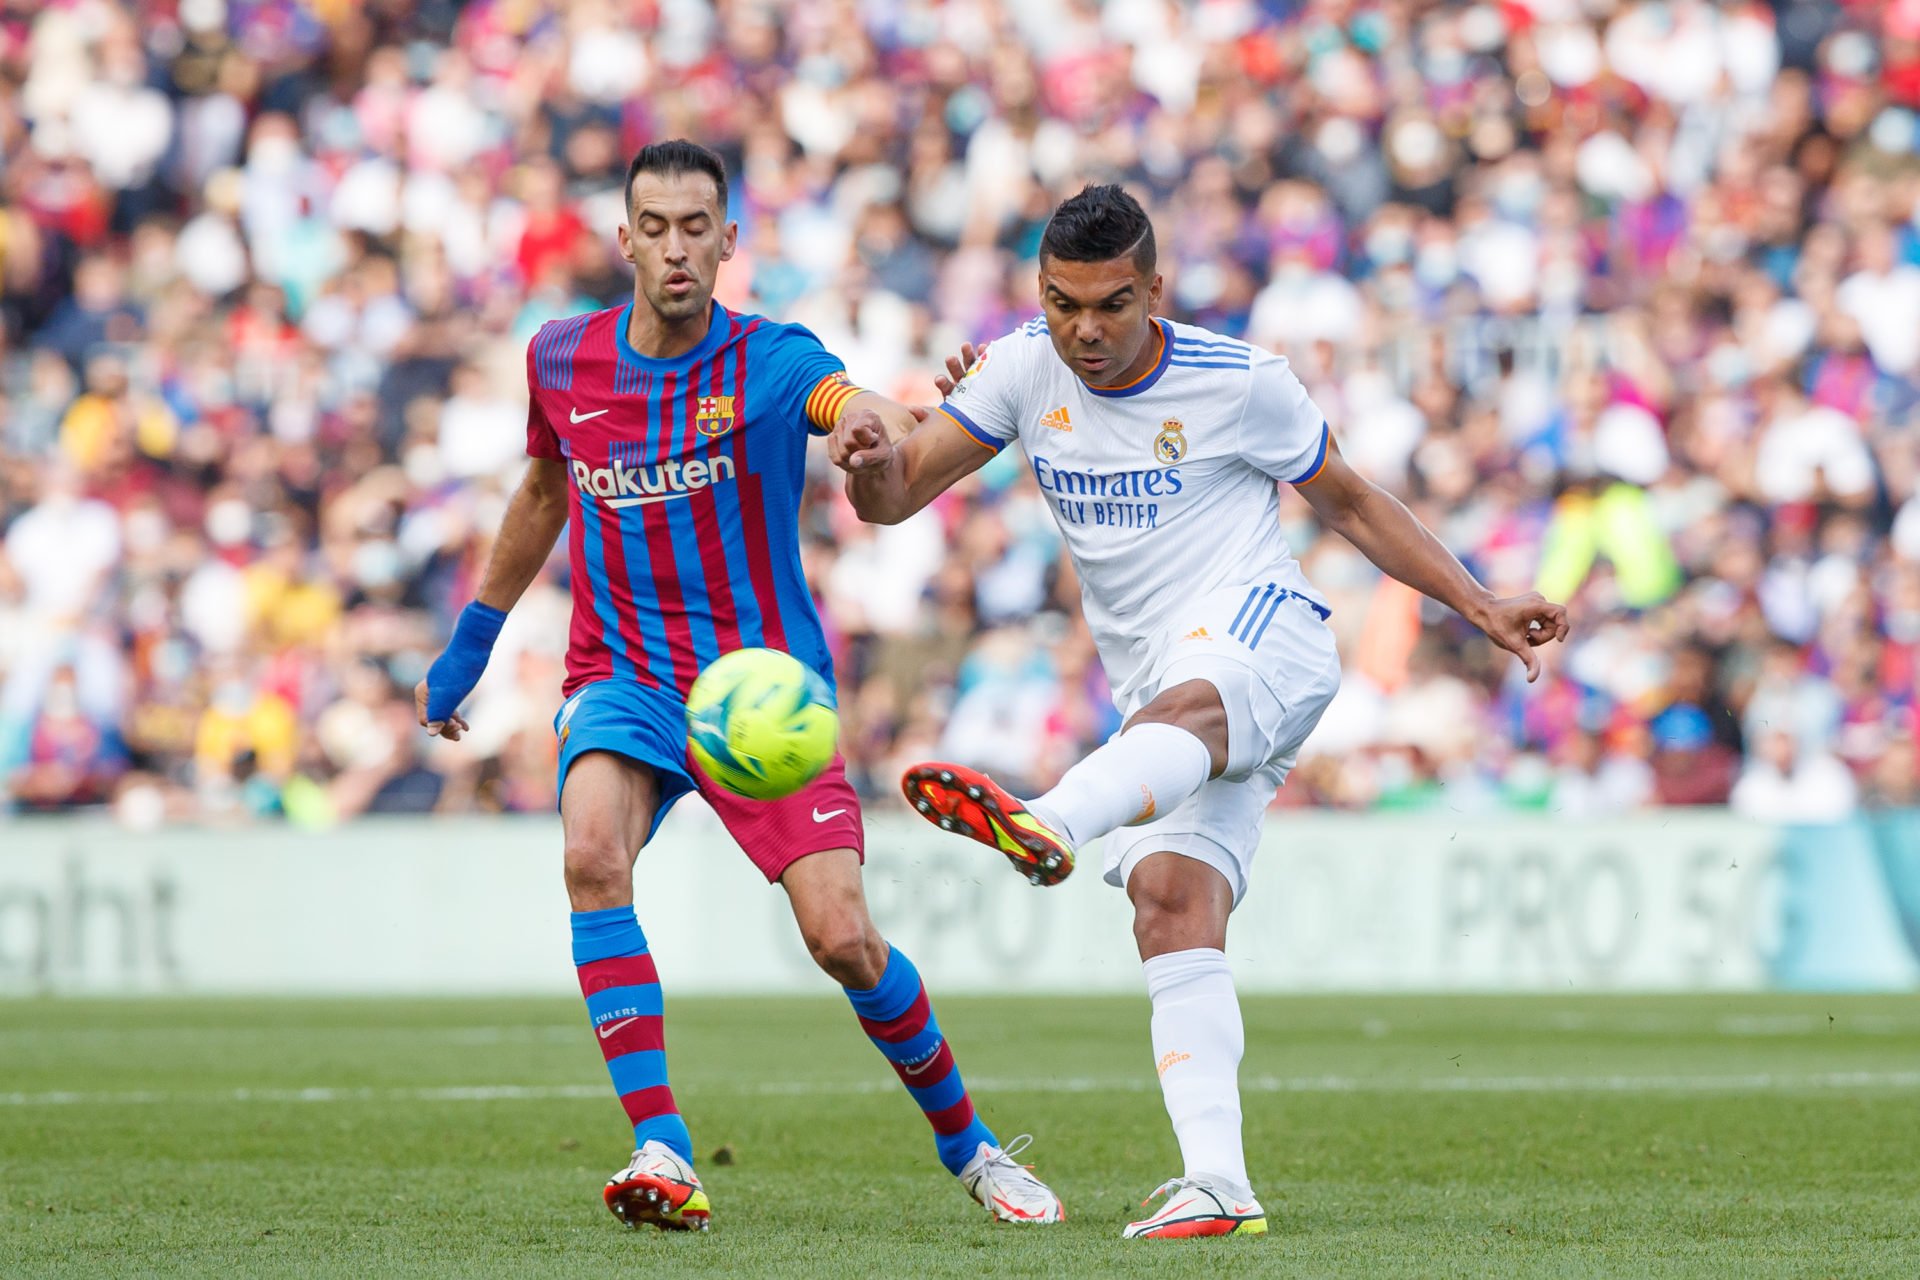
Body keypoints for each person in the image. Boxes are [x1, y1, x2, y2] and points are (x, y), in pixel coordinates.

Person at [830, 184, 1568, 1240]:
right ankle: (1220, 1181)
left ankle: (1052, 820)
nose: (1083, 329)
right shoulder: (1017, 369)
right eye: (1060, 302)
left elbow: (1352, 501)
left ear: (1154, 291)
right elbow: (896, 494)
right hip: (1159, 712)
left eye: (1110, 304)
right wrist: (864, 466)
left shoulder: (1241, 381)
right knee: (1172, 903)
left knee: (1188, 703)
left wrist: (1481, 600)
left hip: (1265, 634)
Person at [415, 141, 1062, 1232]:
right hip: (623, 675)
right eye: (655, 226)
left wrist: (878, 428)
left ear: (727, 240)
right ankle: (661, 1146)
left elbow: (857, 404)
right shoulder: (561, 359)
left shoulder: (769, 360)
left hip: (762, 691)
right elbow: (541, 487)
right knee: (588, 853)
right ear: (625, 241)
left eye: (696, 226)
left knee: (844, 938)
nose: (676, 246)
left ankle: (971, 1144)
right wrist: (474, 636)